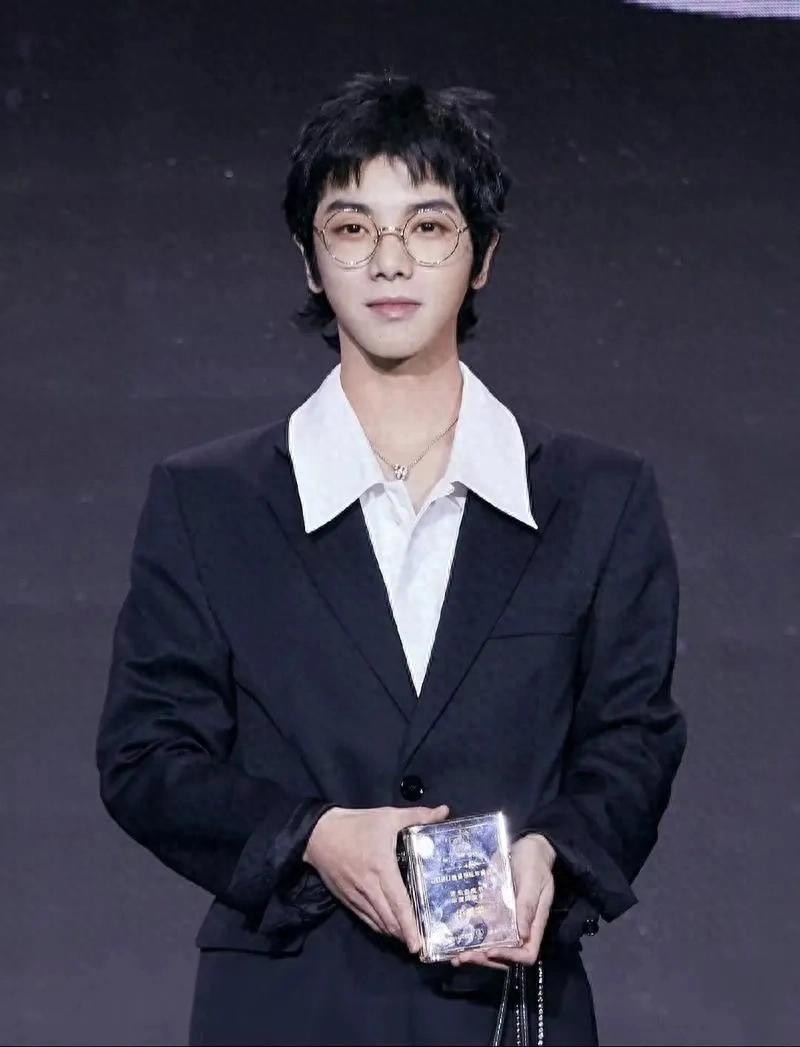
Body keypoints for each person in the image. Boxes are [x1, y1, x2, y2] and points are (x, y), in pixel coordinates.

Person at [96, 71, 687, 1046]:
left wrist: (554, 852)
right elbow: (145, 757)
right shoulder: (210, 499)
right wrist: (314, 835)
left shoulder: (598, 497)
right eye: (351, 226)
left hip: (506, 1004)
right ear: (309, 258)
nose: (388, 260)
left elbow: (633, 739)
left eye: (426, 225)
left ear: (481, 255)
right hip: (283, 1001)